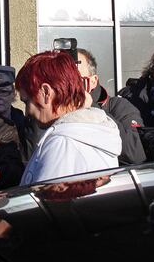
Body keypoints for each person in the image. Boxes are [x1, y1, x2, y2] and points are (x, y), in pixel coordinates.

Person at [16, 51, 122, 185]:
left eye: (27, 102)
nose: (26, 112)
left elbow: (47, 203)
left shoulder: (62, 144)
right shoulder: (93, 130)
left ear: (46, 92)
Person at [76, 48, 146, 165]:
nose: (67, 87)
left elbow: (136, 153)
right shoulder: (50, 110)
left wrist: (91, 109)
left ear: (93, 81)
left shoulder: (117, 107)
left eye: (76, 80)